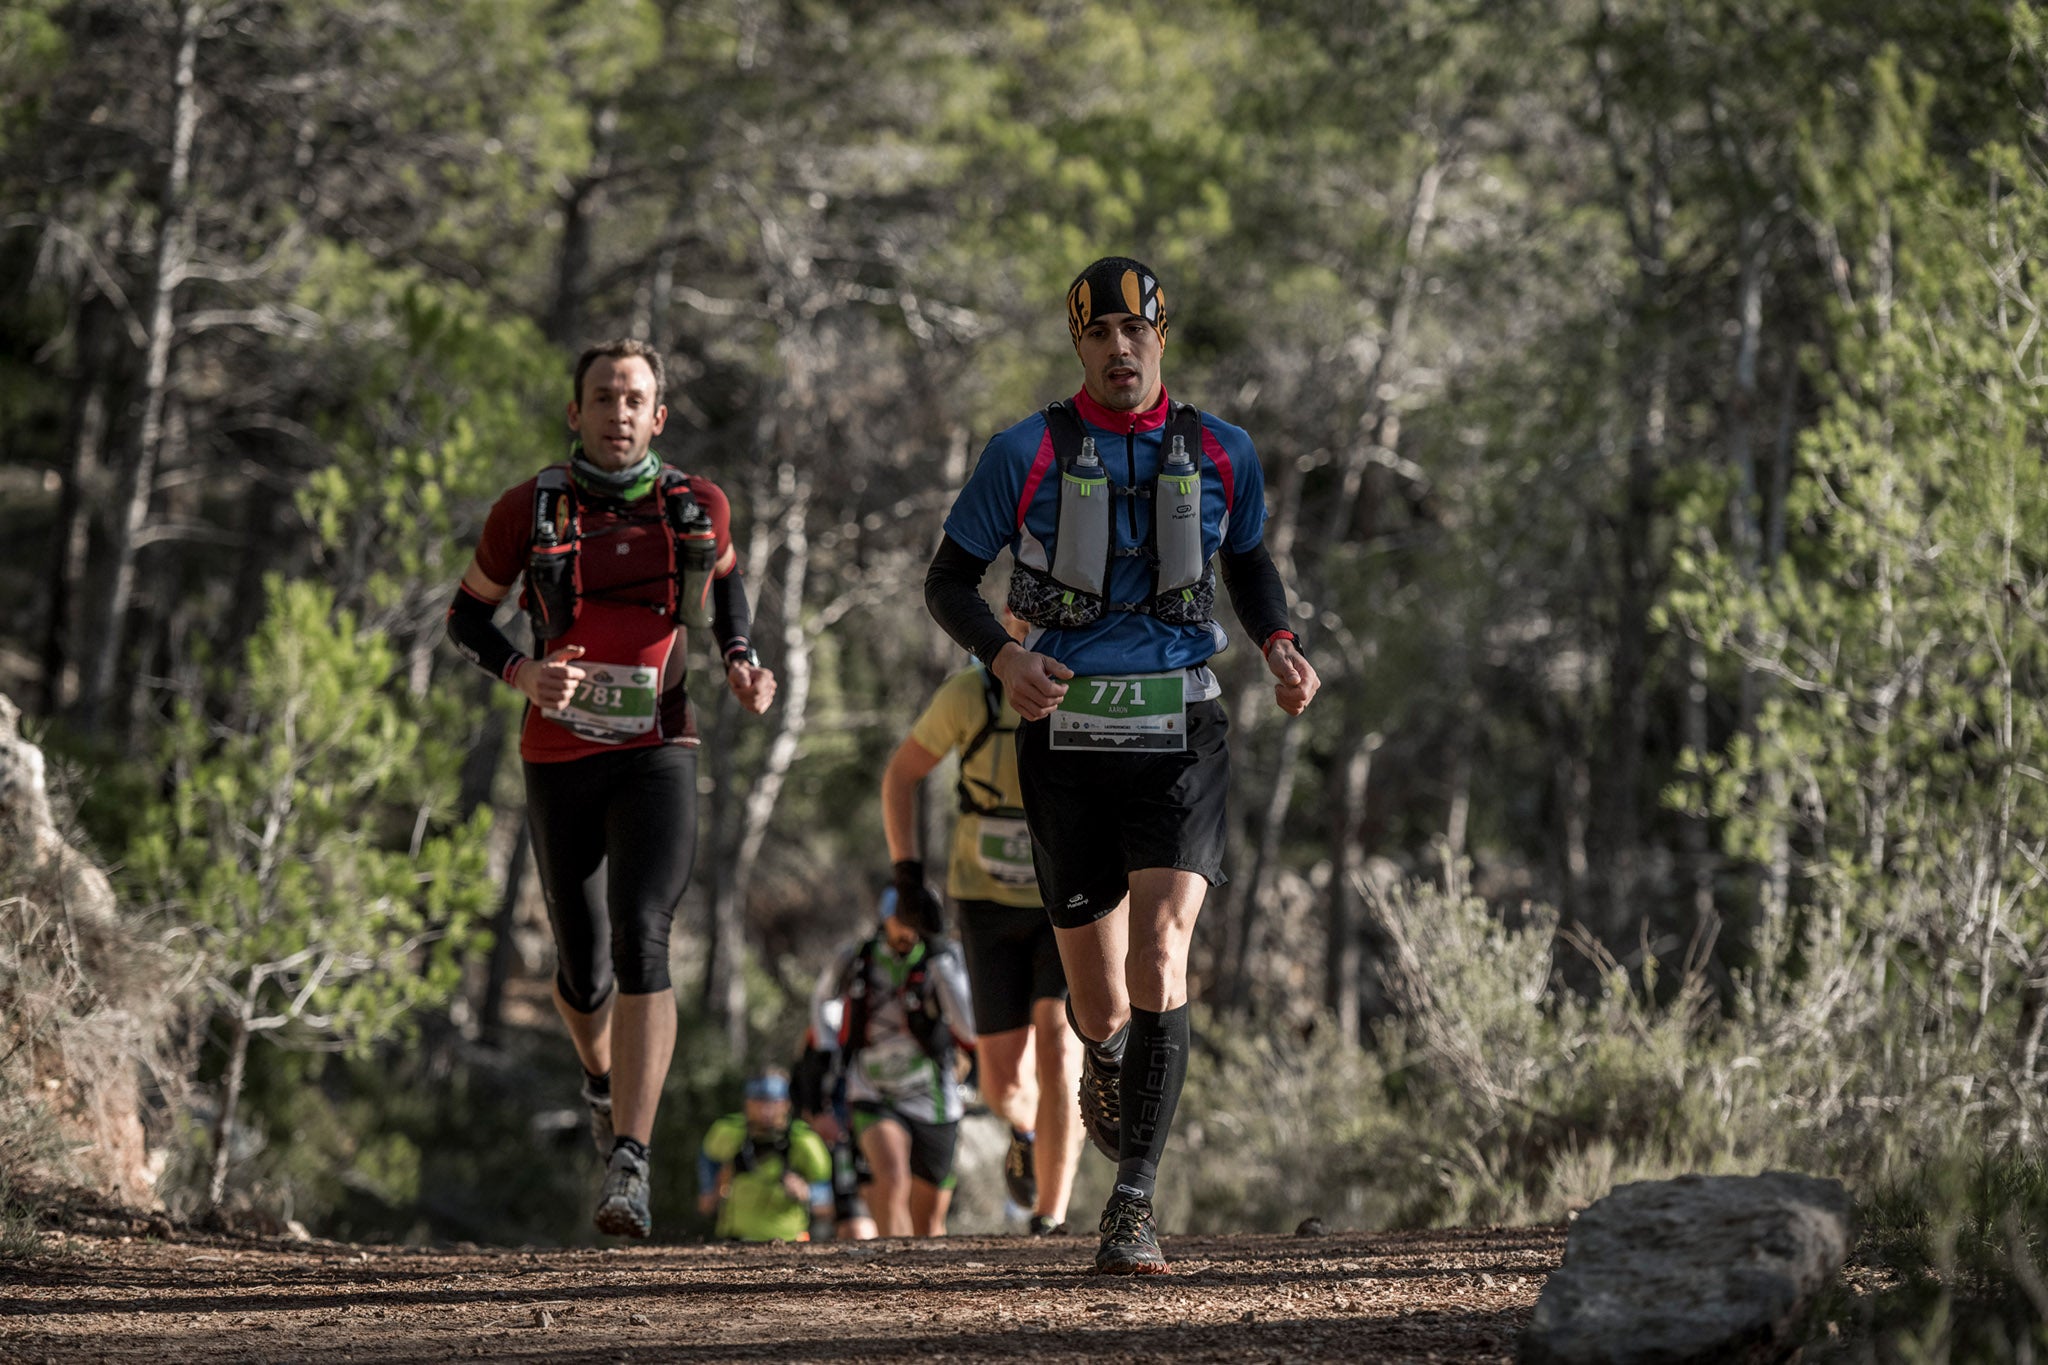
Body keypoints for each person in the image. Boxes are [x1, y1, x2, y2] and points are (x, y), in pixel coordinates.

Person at [921, 257, 1320, 1273]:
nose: (1117, 350)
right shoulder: (1024, 453)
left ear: (1160, 336)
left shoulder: (1223, 451)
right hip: (1063, 742)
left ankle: (1131, 1202)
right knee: (1097, 1006)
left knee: (1161, 955)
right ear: (1078, 347)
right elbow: (950, 578)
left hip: (1181, 729)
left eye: (1132, 331)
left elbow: (1248, 562)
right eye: (1096, 336)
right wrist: (1002, 656)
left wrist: (1275, 642)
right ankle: (1106, 1060)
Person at [445, 338, 776, 1238]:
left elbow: (729, 586)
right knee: (583, 972)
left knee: (645, 935)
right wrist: (521, 673)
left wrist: (741, 661)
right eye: (602, 397)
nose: (618, 412)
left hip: (661, 741)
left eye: (634, 398)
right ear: (576, 411)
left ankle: (629, 1160)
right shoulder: (530, 509)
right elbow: (466, 617)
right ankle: (599, 1080)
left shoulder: (696, 506)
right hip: (559, 752)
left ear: (658, 416)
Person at [881, 609, 1082, 1235]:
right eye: (1019, 616)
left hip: (1066, 900)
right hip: (986, 905)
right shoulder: (968, 694)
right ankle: (1022, 1131)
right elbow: (901, 775)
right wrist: (908, 876)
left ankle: (1050, 1213)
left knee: (1056, 1041)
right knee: (1000, 1081)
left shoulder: (1087, 685)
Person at [808, 888, 976, 1237]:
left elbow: (969, 1027)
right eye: (901, 920)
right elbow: (822, 1001)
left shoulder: (945, 958)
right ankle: (894, 1269)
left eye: (917, 922)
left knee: (929, 1222)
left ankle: (924, 1278)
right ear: (884, 919)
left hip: (934, 1095)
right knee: (892, 1177)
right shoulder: (857, 958)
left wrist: (940, 956)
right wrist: (826, 1053)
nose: (908, 930)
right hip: (872, 1087)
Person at [697, 1071, 834, 1242]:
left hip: (790, 1240)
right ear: (747, 1103)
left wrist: (807, 1192)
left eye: (773, 1101)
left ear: (786, 1104)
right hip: (735, 1238)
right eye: (758, 1101)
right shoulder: (728, 1131)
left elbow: (826, 1191)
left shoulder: (804, 1140)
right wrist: (709, 1188)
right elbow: (708, 1158)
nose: (766, 1110)